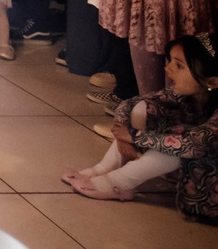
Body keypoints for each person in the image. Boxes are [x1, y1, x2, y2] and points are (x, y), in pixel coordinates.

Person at [63, 33, 218, 219]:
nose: (168, 68)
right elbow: (130, 104)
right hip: (187, 164)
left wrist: (134, 136)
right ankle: (105, 168)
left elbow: (192, 144)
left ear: (212, 81)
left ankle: (118, 182)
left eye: (179, 66)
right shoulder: (187, 93)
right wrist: (124, 137)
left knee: (176, 146)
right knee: (142, 108)